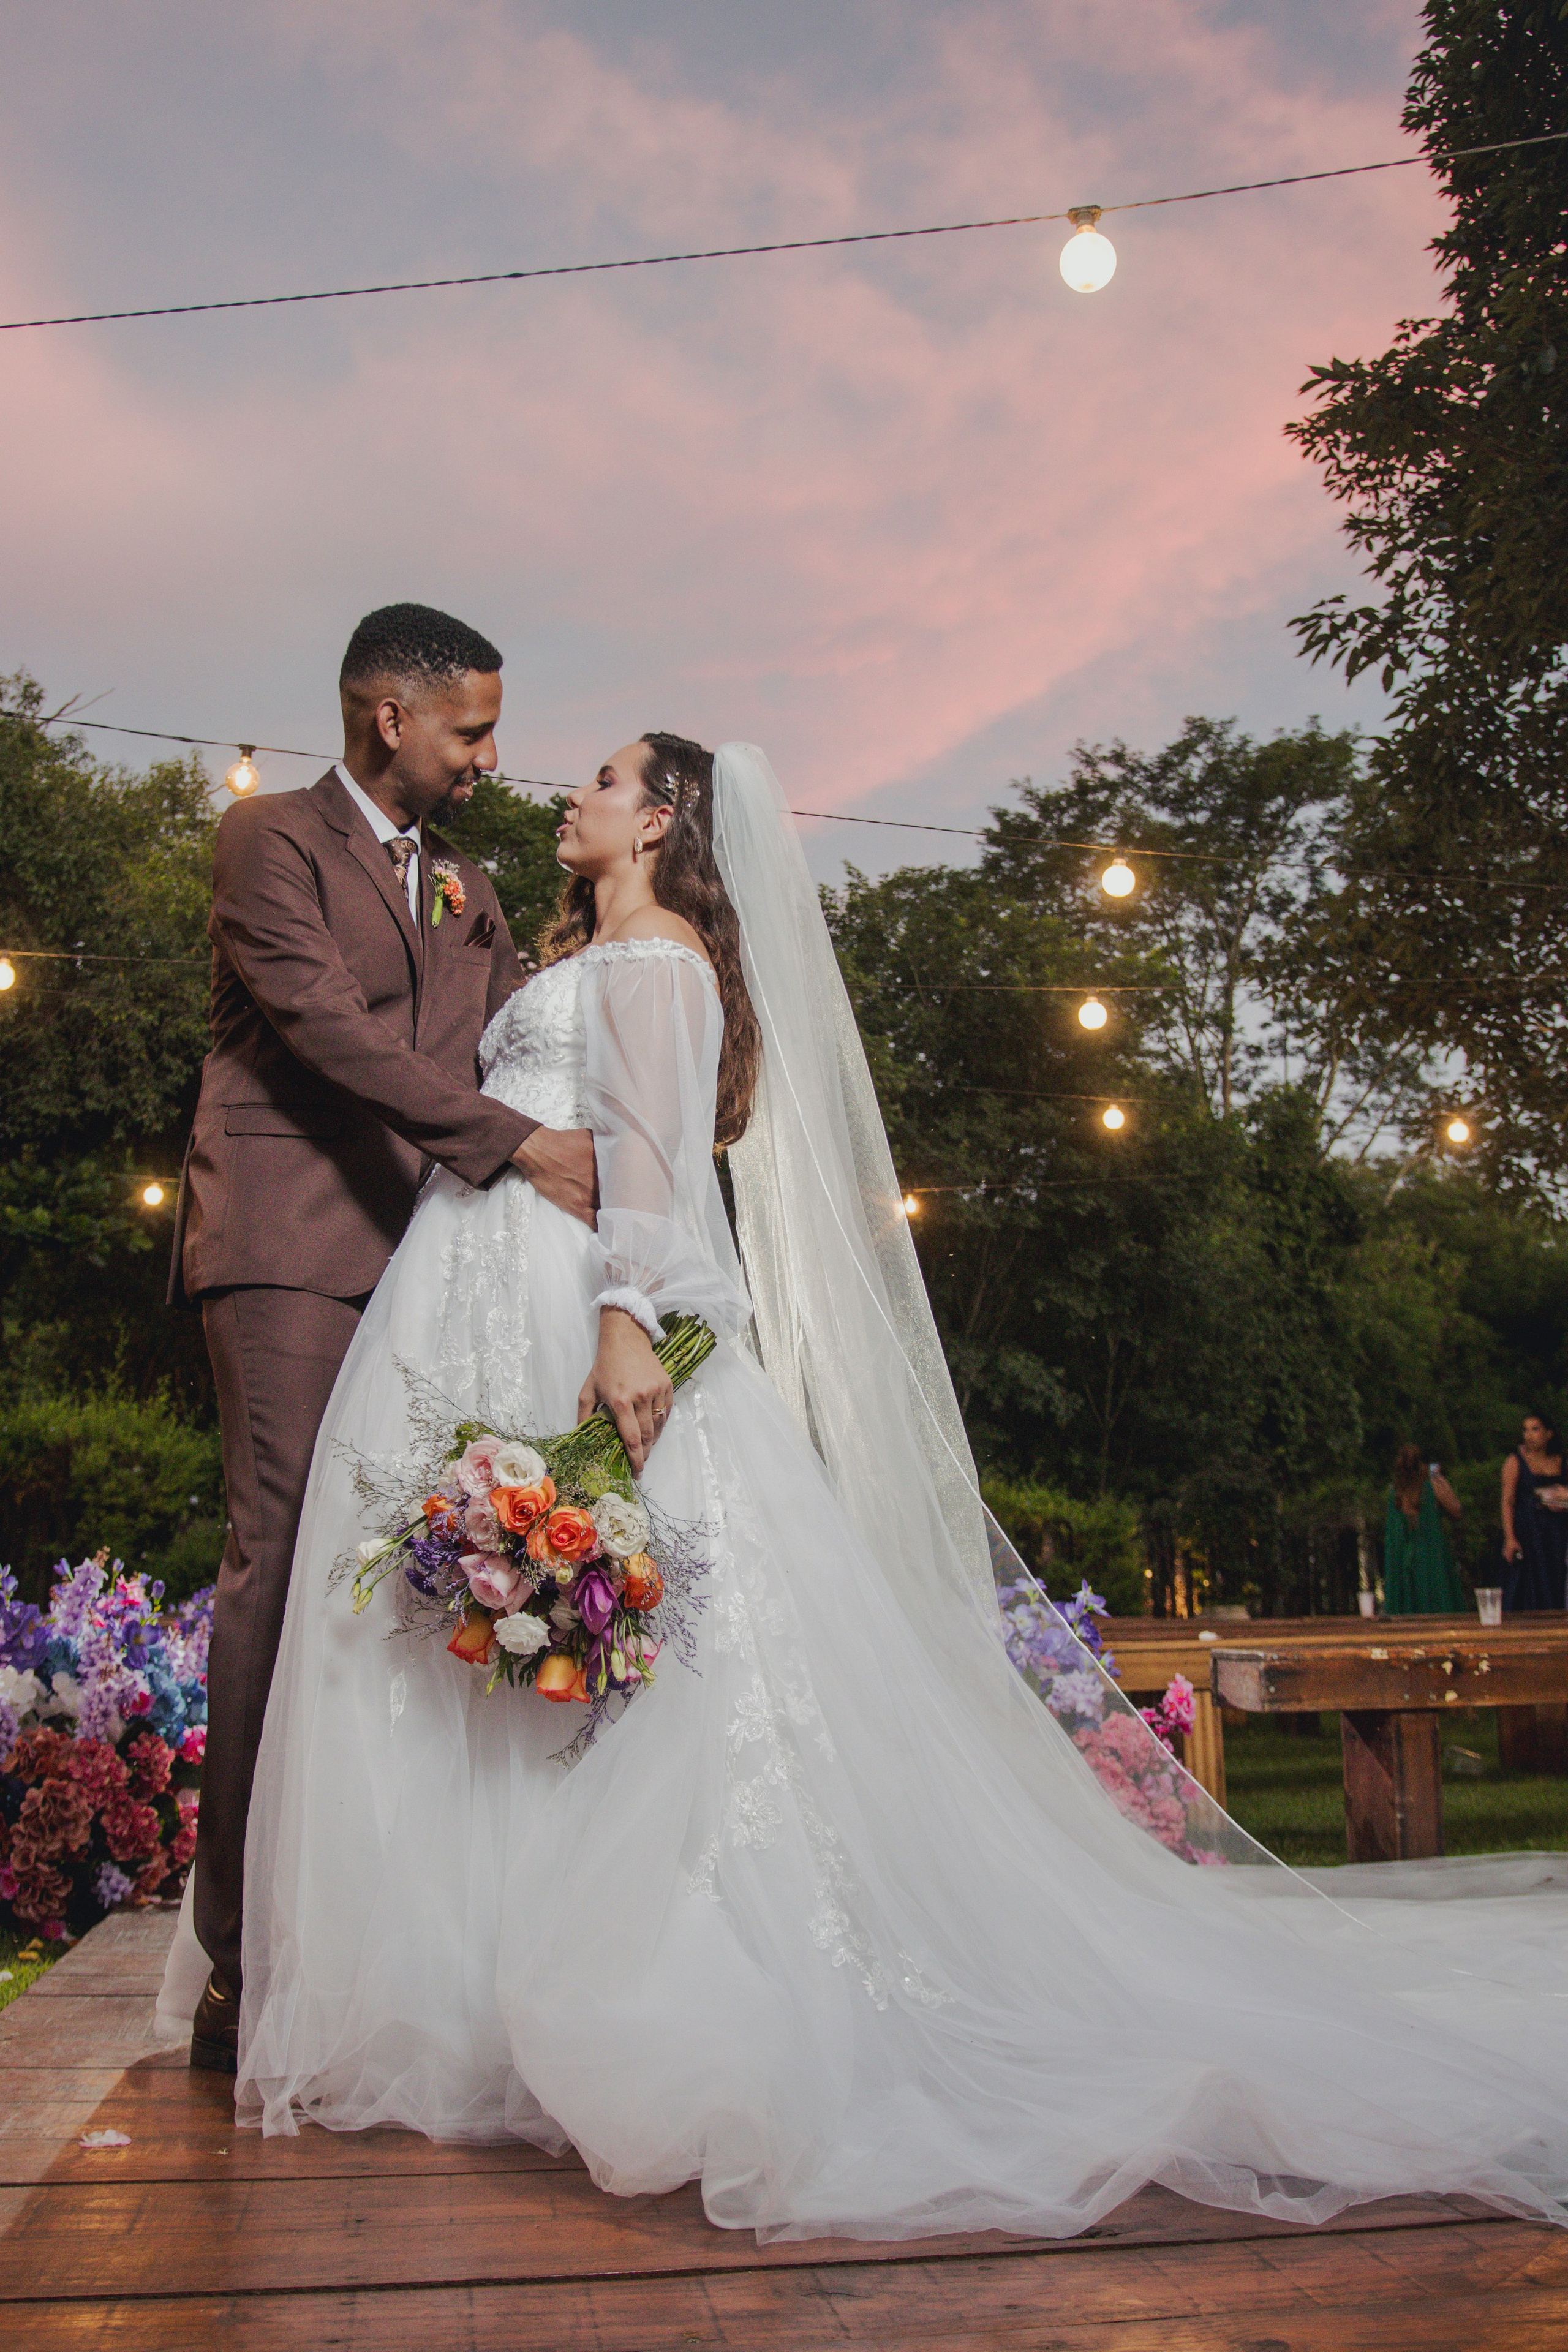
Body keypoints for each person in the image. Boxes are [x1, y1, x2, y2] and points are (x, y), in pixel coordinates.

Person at [162, 737, 1568, 2241]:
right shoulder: (574, 941)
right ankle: (455, 1978)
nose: (563, 790)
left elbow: (655, 1169)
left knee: (597, 1664)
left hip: (568, 1304)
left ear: (661, 819)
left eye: (603, 775)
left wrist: (628, 1315)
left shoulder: (654, 958)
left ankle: (563, 1988)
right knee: (493, 1657)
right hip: (473, 1295)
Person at [171, 605, 596, 2072]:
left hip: (430, 1263)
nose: (489, 757)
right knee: (282, 1572)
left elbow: (498, 1027)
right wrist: (521, 1146)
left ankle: (382, 1942)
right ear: (383, 716)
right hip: (291, 1248)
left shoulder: (463, 884)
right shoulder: (268, 841)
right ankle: (240, 1963)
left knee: (400, 1599)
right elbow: (327, 1032)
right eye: (470, 728)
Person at [1382, 1445, 1466, 1614]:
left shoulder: (1395, 1494)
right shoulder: (1433, 1487)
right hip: (1431, 1557)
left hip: (1402, 1558)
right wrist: (1444, 1484)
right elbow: (1457, 1511)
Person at [1501, 1411, 1568, 1612]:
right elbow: (1508, 1500)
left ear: (1549, 1433)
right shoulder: (1515, 1461)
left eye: (1535, 1429)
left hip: (1556, 1531)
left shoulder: (1561, 1461)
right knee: (1528, 1585)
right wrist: (1510, 1538)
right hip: (1529, 1531)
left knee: (1555, 1580)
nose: (1529, 1435)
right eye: (1525, 1430)